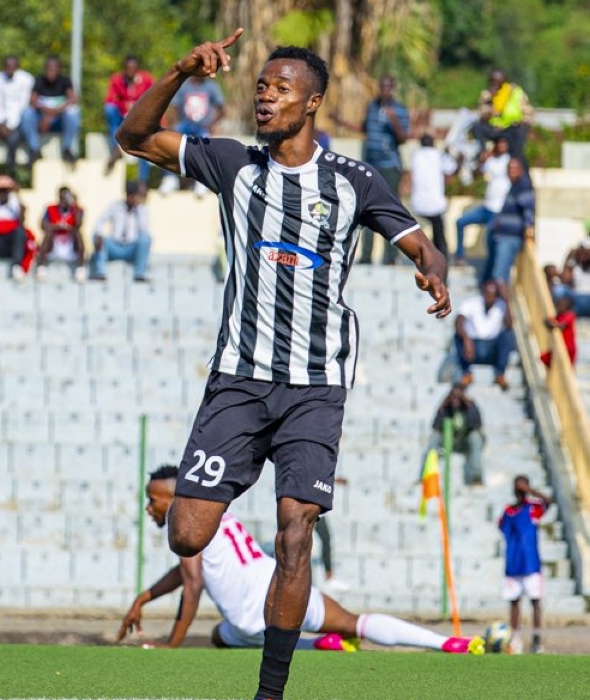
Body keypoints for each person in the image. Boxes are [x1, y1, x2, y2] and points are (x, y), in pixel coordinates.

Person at [116, 31, 451, 700]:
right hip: (239, 380)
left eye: (282, 88)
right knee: (186, 536)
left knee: (296, 530)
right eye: (261, 86)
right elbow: (133, 135)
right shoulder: (232, 164)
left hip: (316, 386)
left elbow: (421, 242)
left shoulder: (355, 181)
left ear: (312, 103)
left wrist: (432, 273)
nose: (266, 96)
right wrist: (182, 71)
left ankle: (269, 693)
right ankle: (230, 482)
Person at [120, 467, 482, 654]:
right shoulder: (212, 510)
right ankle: (448, 644)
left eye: (154, 499)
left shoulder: (183, 516)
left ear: (173, 497)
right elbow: (186, 570)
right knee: (354, 622)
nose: (150, 507)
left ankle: (317, 645)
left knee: (235, 633)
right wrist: (144, 598)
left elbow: (193, 581)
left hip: (253, 615)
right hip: (285, 584)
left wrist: (171, 645)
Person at [353, 76, 410, 265]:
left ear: (393, 89)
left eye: (388, 87)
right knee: (366, 209)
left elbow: (403, 139)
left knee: (390, 211)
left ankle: (391, 257)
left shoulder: (400, 109)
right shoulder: (372, 106)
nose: (384, 90)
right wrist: (340, 121)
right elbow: (364, 129)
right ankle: (366, 256)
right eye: (382, 86)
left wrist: (393, 120)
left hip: (390, 167)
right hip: (370, 165)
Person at [498, 476, 552, 654]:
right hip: (513, 565)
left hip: (531, 564)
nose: (519, 489)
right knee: (514, 602)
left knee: (535, 601)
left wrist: (530, 491)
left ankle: (536, 639)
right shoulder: (508, 511)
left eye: (523, 486)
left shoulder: (532, 509)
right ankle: (515, 639)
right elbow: (501, 526)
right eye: (517, 486)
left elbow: (549, 501)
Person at [159, 76, 225, 195]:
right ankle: (170, 179)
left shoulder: (211, 86)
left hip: (203, 126)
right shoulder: (184, 86)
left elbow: (221, 109)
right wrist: (172, 126)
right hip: (185, 124)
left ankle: (202, 181)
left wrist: (212, 124)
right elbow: (175, 107)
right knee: (169, 141)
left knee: (205, 145)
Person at [454, 137, 510, 265]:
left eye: (504, 144)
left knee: (490, 238)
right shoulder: (491, 160)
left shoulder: (509, 160)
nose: (502, 146)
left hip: (498, 210)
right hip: (487, 207)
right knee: (460, 222)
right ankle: (460, 256)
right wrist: (481, 161)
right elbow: (476, 174)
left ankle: (490, 269)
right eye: (500, 144)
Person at [480, 157, 533, 287]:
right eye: (510, 169)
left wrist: (529, 229)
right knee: (495, 272)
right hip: (502, 235)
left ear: (521, 170)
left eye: (515, 169)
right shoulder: (513, 186)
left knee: (500, 276)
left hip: (510, 238)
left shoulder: (523, 186)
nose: (512, 172)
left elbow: (528, 210)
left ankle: (503, 305)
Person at [454, 280, 514, 390]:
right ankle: (466, 373)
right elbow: (458, 321)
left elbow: (509, 325)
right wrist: (467, 339)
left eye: (492, 295)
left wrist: (506, 300)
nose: (489, 297)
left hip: (491, 347)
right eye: (487, 294)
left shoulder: (501, 305)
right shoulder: (472, 303)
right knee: (458, 336)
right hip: (472, 346)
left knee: (508, 335)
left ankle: (500, 374)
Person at [0, 56, 33, 177]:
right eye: (7, 67)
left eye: (12, 67)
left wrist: (9, 126)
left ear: (17, 67)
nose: (9, 70)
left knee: (13, 139)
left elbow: (23, 104)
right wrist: (1, 123)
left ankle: (11, 172)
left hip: (17, 120)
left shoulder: (26, 79)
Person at [21, 56, 80, 165]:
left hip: (59, 119)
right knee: (27, 114)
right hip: (42, 119)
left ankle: (67, 148)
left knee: (73, 113)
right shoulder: (39, 80)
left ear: (59, 69)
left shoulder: (65, 81)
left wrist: (53, 113)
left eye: (54, 69)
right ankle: (34, 149)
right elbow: (33, 100)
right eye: (49, 69)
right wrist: (46, 113)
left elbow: (73, 99)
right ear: (45, 69)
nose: (51, 72)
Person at [407, 134, 458, 259]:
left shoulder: (416, 155)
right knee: (439, 231)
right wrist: (448, 154)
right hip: (436, 203)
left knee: (428, 228)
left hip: (417, 203)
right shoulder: (439, 155)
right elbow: (452, 168)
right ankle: (442, 256)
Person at [90, 180, 151, 282]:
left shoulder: (142, 210)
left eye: (133, 195)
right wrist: (99, 234)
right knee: (98, 238)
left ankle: (139, 274)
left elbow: (144, 230)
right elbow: (100, 221)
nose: (131, 197)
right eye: (129, 194)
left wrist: (137, 210)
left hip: (132, 248)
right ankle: (100, 273)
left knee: (146, 239)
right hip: (115, 246)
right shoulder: (115, 206)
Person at [423, 385, 484, 486]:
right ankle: (426, 474)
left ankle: (476, 477)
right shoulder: (446, 408)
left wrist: (467, 405)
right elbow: (435, 425)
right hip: (448, 441)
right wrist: (444, 408)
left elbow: (476, 424)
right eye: (453, 396)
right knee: (434, 436)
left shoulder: (470, 406)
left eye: (458, 395)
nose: (456, 399)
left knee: (475, 436)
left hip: (465, 441)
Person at [104, 56, 154, 176]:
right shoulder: (117, 80)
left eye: (133, 68)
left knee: (142, 146)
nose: (130, 71)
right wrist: (124, 106)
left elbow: (153, 100)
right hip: (122, 116)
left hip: (141, 119)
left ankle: (143, 181)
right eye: (128, 68)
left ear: (137, 69)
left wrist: (136, 109)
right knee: (110, 110)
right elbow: (110, 99)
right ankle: (116, 149)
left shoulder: (146, 80)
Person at [475, 70, 532, 161]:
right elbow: (482, 115)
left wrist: (524, 123)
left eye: (497, 80)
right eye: (492, 80)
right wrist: (490, 98)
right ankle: (482, 153)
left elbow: (527, 111)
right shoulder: (487, 95)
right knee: (478, 126)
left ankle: (518, 163)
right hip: (495, 129)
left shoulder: (515, 92)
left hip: (512, 128)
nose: (494, 83)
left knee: (517, 153)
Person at [35, 186, 86, 282]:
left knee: (78, 234)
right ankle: (41, 267)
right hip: (54, 244)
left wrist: (74, 206)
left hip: (70, 245)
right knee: (48, 233)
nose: (64, 200)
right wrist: (58, 227)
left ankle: (80, 269)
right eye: (62, 197)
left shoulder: (77, 210)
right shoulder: (50, 209)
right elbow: (42, 225)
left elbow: (78, 225)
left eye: (66, 197)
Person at [541, 295, 577, 369]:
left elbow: (561, 326)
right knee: (544, 357)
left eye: (563, 305)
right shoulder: (559, 316)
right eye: (559, 304)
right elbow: (548, 321)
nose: (560, 306)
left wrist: (552, 325)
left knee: (565, 368)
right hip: (560, 347)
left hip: (568, 349)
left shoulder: (570, 315)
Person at [556, 241, 590, 317]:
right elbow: (564, 280)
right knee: (559, 289)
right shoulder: (574, 266)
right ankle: (561, 318)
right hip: (577, 296)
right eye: (584, 252)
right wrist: (570, 256)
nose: (586, 254)